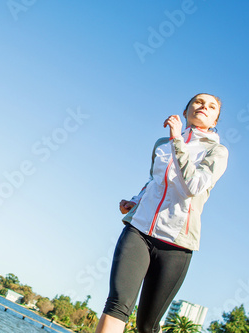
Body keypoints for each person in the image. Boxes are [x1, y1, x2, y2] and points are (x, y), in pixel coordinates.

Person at [96, 93, 229, 333]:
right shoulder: (162, 144)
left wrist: (178, 141)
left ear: (215, 121)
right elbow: (154, 181)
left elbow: (193, 187)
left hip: (176, 245)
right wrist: (135, 201)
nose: (203, 107)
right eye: (198, 102)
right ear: (187, 109)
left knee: (147, 326)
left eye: (211, 107)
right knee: (117, 304)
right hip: (138, 229)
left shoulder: (217, 152)